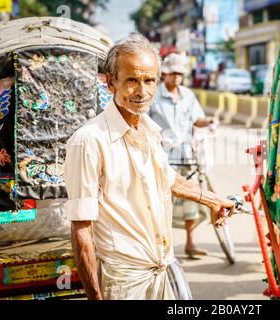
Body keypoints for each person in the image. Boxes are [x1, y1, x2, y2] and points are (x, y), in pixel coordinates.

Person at [64, 34, 235, 300]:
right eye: (132, 80)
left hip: (161, 268)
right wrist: (94, 296)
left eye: (149, 81)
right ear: (111, 83)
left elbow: (168, 179)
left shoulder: (149, 130)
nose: (142, 92)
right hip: (124, 278)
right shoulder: (89, 141)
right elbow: (81, 227)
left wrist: (213, 201)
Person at [148, 53, 218, 258]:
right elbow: (144, 122)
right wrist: (158, 135)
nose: (176, 77)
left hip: (187, 155)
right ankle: (161, 247)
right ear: (165, 74)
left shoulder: (187, 95)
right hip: (163, 157)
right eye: (173, 73)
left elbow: (198, 120)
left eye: (180, 74)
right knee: (161, 202)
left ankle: (190, 243)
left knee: (192, 198)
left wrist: (210, 121)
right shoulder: (153, 96)